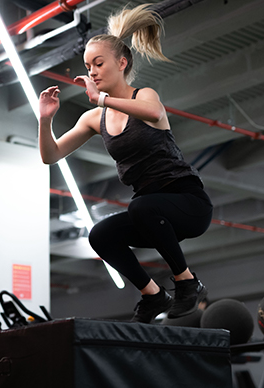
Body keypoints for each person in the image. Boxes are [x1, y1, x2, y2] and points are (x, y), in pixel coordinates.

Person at [38, 4, 213, 323]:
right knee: (100, 234)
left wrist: (102, 98)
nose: (91, 71)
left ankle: (187, 282)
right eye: (87, 65)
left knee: (142, 207)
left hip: (188, 204)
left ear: (122, 62)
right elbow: (50, 155)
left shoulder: (144, 95)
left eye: (98, 63)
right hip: (152, 214)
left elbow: (155, 114)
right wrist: (45, 120)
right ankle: (153, 295)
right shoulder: (94, 118)